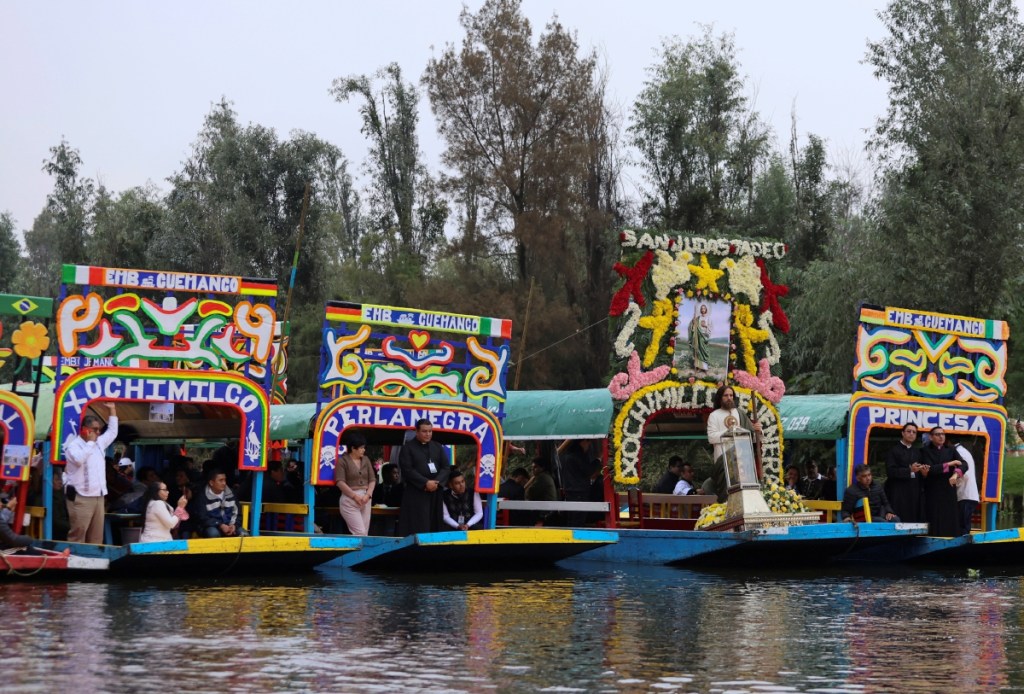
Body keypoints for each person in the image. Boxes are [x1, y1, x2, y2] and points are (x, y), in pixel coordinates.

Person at [62, 402, 118, 544]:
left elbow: (112, 432)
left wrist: (112, 410)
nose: (98, 433)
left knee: (96, 537)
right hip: (81, 497)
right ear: (84, 430)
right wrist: (90, 443)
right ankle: (75, 564)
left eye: (99, 429)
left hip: (99, 496)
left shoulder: (99, 442)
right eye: (95, 429)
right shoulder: (73, 446)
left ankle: (92, 564)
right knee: (78, 535)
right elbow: (79, 460)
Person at [706, 385, 762, 502]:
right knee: (726, 493)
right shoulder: (714, 415)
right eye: (726, 395)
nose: (729, 398)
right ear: (720, 398)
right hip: (723, 460)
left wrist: (757, 430)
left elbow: (752, 437)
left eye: (731, 395)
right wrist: (731, 431)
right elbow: (711, 437)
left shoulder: (740, 413)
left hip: (741, 460)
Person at [397, 419, 451, 535]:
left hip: (435, 491)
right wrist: (425, 483)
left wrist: (436, 483)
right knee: (418, 523)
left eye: (430, 431)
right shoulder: (408, 448)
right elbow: (407, 469)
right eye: (424, 431)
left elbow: (446, 467)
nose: (428, 434)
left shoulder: (437, 446)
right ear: (417, 432)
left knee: (434, 523)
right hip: (417, 492)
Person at [920, 427, 965, 536]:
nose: (941, 436)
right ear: (931, 437)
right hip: (933, 491)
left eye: (943, 434)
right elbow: (931, 469)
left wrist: (955, 474)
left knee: (950, 518)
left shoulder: (950, 449)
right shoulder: (925, 451)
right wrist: (949, 464)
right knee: (934, 519)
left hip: (948, 489)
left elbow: (963, 464)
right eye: (937, 434)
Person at [336, 432, 376, 536]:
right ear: (353, 448)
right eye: (361, 448)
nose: (364, 450)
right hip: (349, 499)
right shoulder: (342, 461)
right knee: (360, 532)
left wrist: (368, 495)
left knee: (365, 533)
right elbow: (340, 481)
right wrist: (354, 496)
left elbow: (372, 479)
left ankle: (362, 552)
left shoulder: (366, 460)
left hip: (366, 499)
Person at [884, 423, 924, 523]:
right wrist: (909, 470)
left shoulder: (917, 452)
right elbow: (890, 471)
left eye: (914, 432)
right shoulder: (893, 450)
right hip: (898, 492)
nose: (911, 434)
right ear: (902, 433)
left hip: (914, 492)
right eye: (909, 431)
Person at [557, 439, 600, 526]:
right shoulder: (578, 456)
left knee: (572, 517)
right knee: (578, 518)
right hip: (579, 491)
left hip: (569, 490)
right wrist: (598, 460)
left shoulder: (566, 455)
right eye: (588, 442)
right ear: (583, 442)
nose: (589, 446)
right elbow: (588, 471)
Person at [191, 469, 243, 538]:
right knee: (213, 533)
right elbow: (202, 518)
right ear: (211, 483)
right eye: (221, 480)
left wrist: (234, 525)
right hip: (211, 527)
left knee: (243, 534)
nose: (224, 483)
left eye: (225, 480)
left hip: (230, 526)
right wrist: (220, 525)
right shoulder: (202, 496)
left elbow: (238, 514)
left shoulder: (231, 493)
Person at [954, 439, 979, 536]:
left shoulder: (958, 452)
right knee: (963, 525)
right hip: (968, 494)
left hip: (965, 494)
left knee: (963, 527)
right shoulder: (963, 451)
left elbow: (964, 472)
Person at [524, 457, 558, 526]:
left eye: (535, 467)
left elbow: (530, 493)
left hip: (546, 512)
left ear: (542, 468)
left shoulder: (542, 478)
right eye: (532, 468)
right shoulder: (543, 476)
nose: (533, 470)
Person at [689, 302, 712, 373]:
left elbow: (710, 327)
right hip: (698, 336)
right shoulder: (698, 318)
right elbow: (694, 327)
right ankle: (699, 367)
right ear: (700, 310)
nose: (703, 309)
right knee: (698, 351)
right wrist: (693, 322)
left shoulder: (708, 318)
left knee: (704, 351)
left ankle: (705, 368)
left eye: (704, 308)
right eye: (702, 308)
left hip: (704, 336)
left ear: (706, 310)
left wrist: (705, 326)